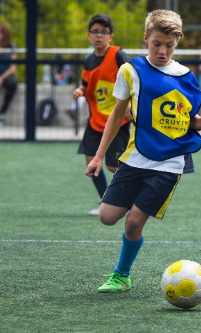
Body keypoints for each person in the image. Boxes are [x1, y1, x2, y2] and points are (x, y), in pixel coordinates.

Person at [84, 9, 201, 292]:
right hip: (135, 157)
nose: (162, 51)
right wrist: (98, 155)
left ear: (177, 43)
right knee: (107, 217)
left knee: (134, 222)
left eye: (169, 45)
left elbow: (186, 121)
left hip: (169, 163)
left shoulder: (186, 77)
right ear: (146, 38)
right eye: (157, 43)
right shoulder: (130, 70)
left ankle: (121, 276)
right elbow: (116, 115)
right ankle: (123, 268)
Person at [71, 14, 132, 216]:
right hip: (95, 120)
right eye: (95, 32)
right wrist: (80, 91)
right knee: (91, 161)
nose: (99, 36)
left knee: (115, 166)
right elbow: (86, 84)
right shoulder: (88, 61)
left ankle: (129, 199)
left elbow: (134, 79)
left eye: (104, 32)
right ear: (89, 36)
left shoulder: (117, 55)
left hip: (117, 120)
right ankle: (105, 202)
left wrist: (131, 105)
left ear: (111, 36)